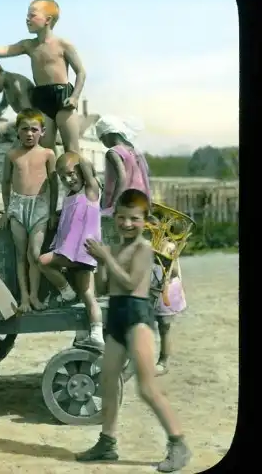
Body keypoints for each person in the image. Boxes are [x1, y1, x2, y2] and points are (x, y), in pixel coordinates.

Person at [79, 189, 191, 473]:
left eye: (134, 219)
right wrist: (100, 262)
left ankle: (178, 443)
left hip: (137, 317)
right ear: (115, 217)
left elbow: (130, 283)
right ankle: (107, 442)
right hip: (116, 315)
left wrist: (106, 257)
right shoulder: (114, 250)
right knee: (108, 380)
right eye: (122, 218)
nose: (127, 224)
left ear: (146, 221)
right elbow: (103, 288)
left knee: (147, 387)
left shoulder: (143, 249)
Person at [0, 0, 86, 154]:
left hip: (62, 96)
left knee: (72, 151)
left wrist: (75, 97)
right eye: (27, 15)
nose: (27, 19)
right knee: (45, 150)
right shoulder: (28, 45)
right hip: (42, 98)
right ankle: (52, 171)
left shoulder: (63, 44)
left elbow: (81, 72)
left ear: (48, 20)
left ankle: (81, 171)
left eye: (32, 15)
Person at [38, 152, 105, 348]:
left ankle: (66, 292)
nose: (68, 180)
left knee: (42, 261)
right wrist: (57, 215)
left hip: (81, 251)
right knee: (87, 295)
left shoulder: (90, 191)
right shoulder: (69, 197)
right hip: (72, 253)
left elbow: (84, 163)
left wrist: (78, 159)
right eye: (62, 177)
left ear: (81, 171)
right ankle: (92, 334)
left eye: (71, 173)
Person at [0, 108, 58, 313]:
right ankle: (23, 298)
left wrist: (52, 211)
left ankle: (34, 296)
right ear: (17, 131)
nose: (29, 134)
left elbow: (54, 184)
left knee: (35, 254)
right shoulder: (12, 155)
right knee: (21, 255)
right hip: (18, 206)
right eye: (24, 129)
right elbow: (5, 182)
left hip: (40, 206)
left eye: (34, 129)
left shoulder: (48, 154)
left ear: (42, 132)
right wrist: (7, 210)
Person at [94, 115, 151, 244]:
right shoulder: (136, 152)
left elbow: (122, 177)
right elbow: (145, 176)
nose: (103, 143)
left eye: (102, 139)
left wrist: (114, 205)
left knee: (113, 240)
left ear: (107, 135)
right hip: (138, 201)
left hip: (122, 202)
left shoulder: (113, 152)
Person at [151, 238, 186, 376]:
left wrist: (164, 260)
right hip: (149, 288)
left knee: (164, 326)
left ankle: (163, 361)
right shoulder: (146, 242)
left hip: (166, 289)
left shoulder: (169, 245)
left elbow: (174, 271)